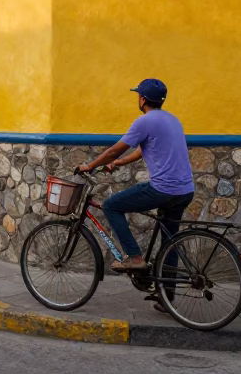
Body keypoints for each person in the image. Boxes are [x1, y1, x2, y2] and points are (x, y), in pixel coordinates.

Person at [77, 79, 195, 275]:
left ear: (142, 100)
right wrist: (118, 164)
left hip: (163, 190)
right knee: (170, 240)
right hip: (185, 190)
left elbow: (114, 150)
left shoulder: (145, 121)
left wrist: (89, 166)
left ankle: (135, 258)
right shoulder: (173, 119)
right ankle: (166, 295)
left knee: (111, 205)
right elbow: (141, 151)